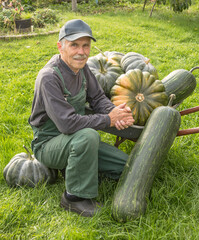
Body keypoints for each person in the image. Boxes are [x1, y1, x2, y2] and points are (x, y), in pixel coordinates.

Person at [28, 19, 134, 217]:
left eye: (86, 45)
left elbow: (97, 98)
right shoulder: (49, 77)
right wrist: (107, 120)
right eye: (74, 45)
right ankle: (74, 198)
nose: (81, 51)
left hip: (74, 139)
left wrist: (115, 112)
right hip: (49, 143)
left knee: (125, 166)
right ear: (60, 46)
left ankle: (78, 168)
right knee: (88, 136)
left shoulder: (82, 68)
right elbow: (67, 123)